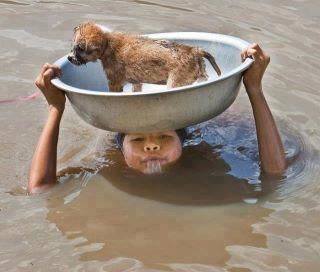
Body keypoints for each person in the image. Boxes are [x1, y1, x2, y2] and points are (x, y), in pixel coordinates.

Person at [28, 43, 287, 194]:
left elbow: (276, 176)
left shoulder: (205, 157)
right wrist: (55, 109)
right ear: (120, 147)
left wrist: (254, 89)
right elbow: (40, 189)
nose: (151, 146)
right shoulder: (108, 167)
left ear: (184, 142)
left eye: (164, 136)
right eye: (138, 139)